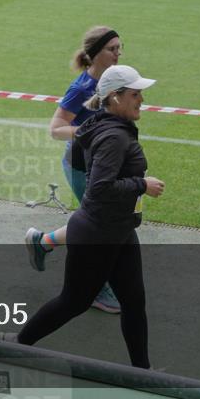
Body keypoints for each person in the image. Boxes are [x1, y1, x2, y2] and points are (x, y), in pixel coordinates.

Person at [9, 65, 165, 369]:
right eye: (135, 94)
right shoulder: (114, 137)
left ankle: (142, 373)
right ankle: (16, 343)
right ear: (115, 98)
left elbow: (81, 155)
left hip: (118, 231)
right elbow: (100, 187)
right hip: (98, 235)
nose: (142, 99)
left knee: (133, 302)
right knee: (74, 302)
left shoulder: (100, 125)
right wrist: (141, 185)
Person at [25, 26, 124, 314]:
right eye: (112, 49)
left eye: (120, 48)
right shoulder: (81, 88)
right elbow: (55, 129)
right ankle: (99, 291)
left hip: (102, 167)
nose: (118, 54)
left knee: (97, 224)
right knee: (98, 228)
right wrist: (92, 132)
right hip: (80, 167)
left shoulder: (110, 82)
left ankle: (43, 242)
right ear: (95, 54)